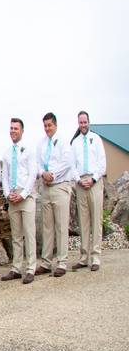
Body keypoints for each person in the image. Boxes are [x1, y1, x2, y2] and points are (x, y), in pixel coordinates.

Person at [34, 112, 74, 278]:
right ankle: (46, 262)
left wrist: (53, 174)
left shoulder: (64, 142)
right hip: (46, 188)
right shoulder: (41, 144)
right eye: (45, 126)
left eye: (49, 125)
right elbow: (36, 163)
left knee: (61, 226)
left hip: (60, 186)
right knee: (47, 227)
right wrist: (43, 173)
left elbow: (68, 162)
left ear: (55, 125)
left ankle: (62, 262)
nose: (47, 128)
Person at [1, 118, 38, 284]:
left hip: (26, 196)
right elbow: (5, 176)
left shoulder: (29, 150)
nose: (13, 131)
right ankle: (16, 268)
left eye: (16, 128)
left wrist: (22, 194)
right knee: (16, 235)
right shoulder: (7, 153)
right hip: (13, 196)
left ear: (22, 131)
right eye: (11, 128)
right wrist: (8, 193)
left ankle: (30, 268)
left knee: (29, 234)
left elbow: (32, 174)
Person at [70, 111, 106, 272]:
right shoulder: (75, 142)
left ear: (89, 122)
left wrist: (94, 179)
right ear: (78, 124)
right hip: (80, 182)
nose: (83, 125)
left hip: (94, 181)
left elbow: (102, 162)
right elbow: (72, 165)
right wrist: (78, 179)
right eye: (80, 122)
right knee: (83, 221)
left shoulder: (96, 139)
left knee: (96, 219)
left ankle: (96, 256)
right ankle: (84, 257)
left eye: (85, 122)